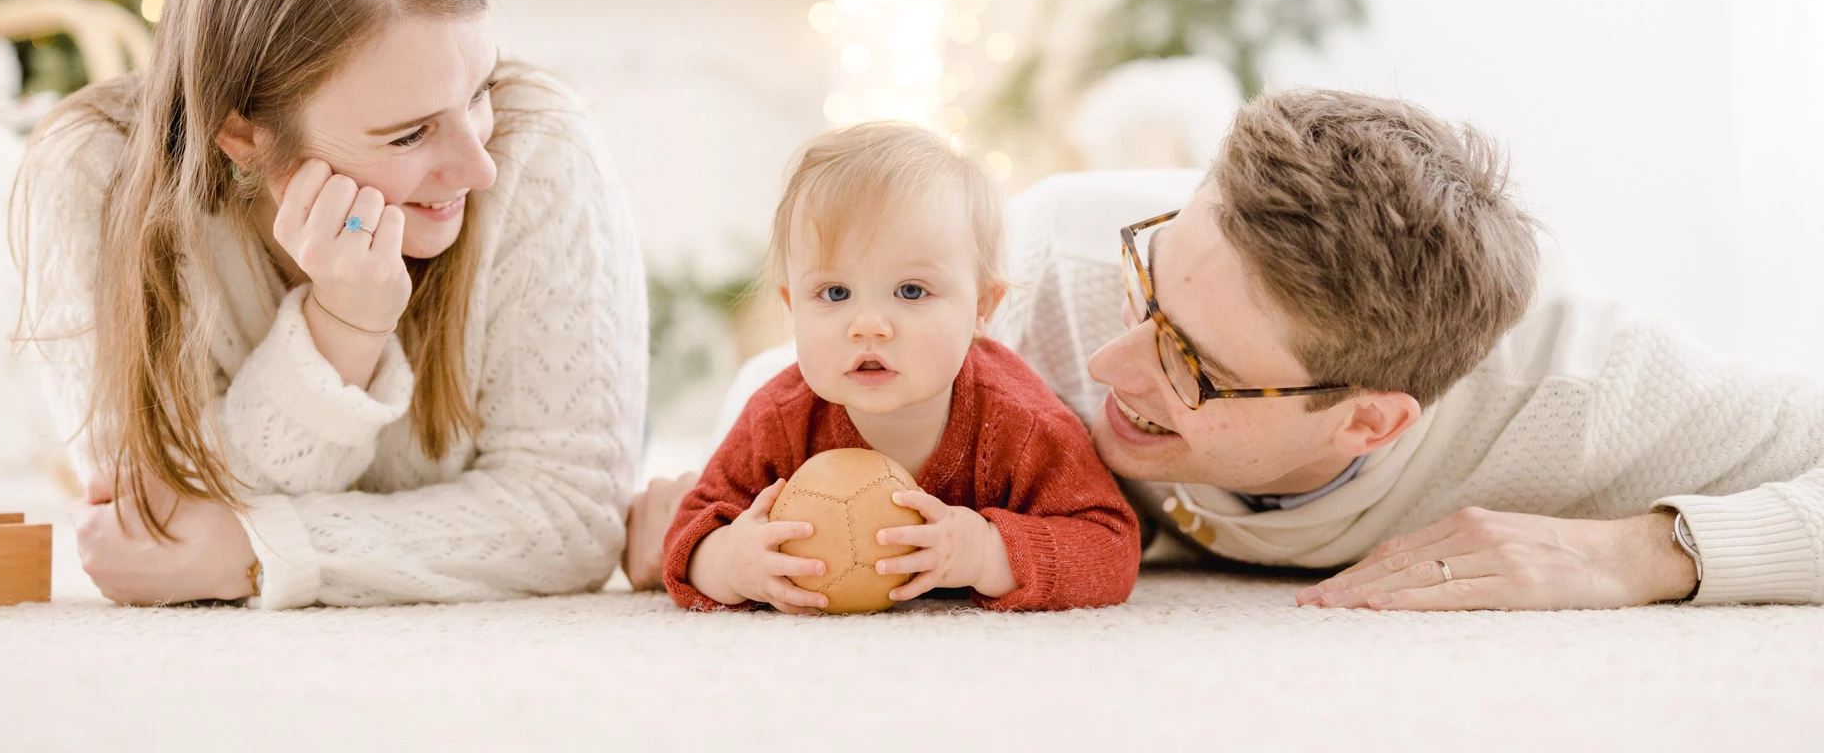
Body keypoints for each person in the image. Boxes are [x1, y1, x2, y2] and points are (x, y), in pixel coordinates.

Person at [640, 89, 1824, 609]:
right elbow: (793, 402)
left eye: (1189, 361)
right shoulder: (1042, 265)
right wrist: (703, 532)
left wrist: (1639, 553)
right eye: (1149, 275)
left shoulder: (1582, 391)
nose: (1106, 361)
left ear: (1369, 419)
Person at [15, 0, 647, 609]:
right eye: (409, 134)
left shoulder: (539, 145)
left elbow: (573, 517)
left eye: (479, 90)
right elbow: (161, 523)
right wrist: (342, 329)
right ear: (243, 134)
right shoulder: (91, 177)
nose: (480, 169)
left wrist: (262, 552)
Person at [663, 122, 1141, 612]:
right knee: (658, 530)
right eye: (835, 293)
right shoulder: (777, 418)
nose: (868, 326)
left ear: (981, 308)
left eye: (911, 291)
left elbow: (1111, 548)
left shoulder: (1023, 422)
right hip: (749, 400)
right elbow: (687, 532)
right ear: (792, 307)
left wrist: (987, 553)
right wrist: (729, 561)